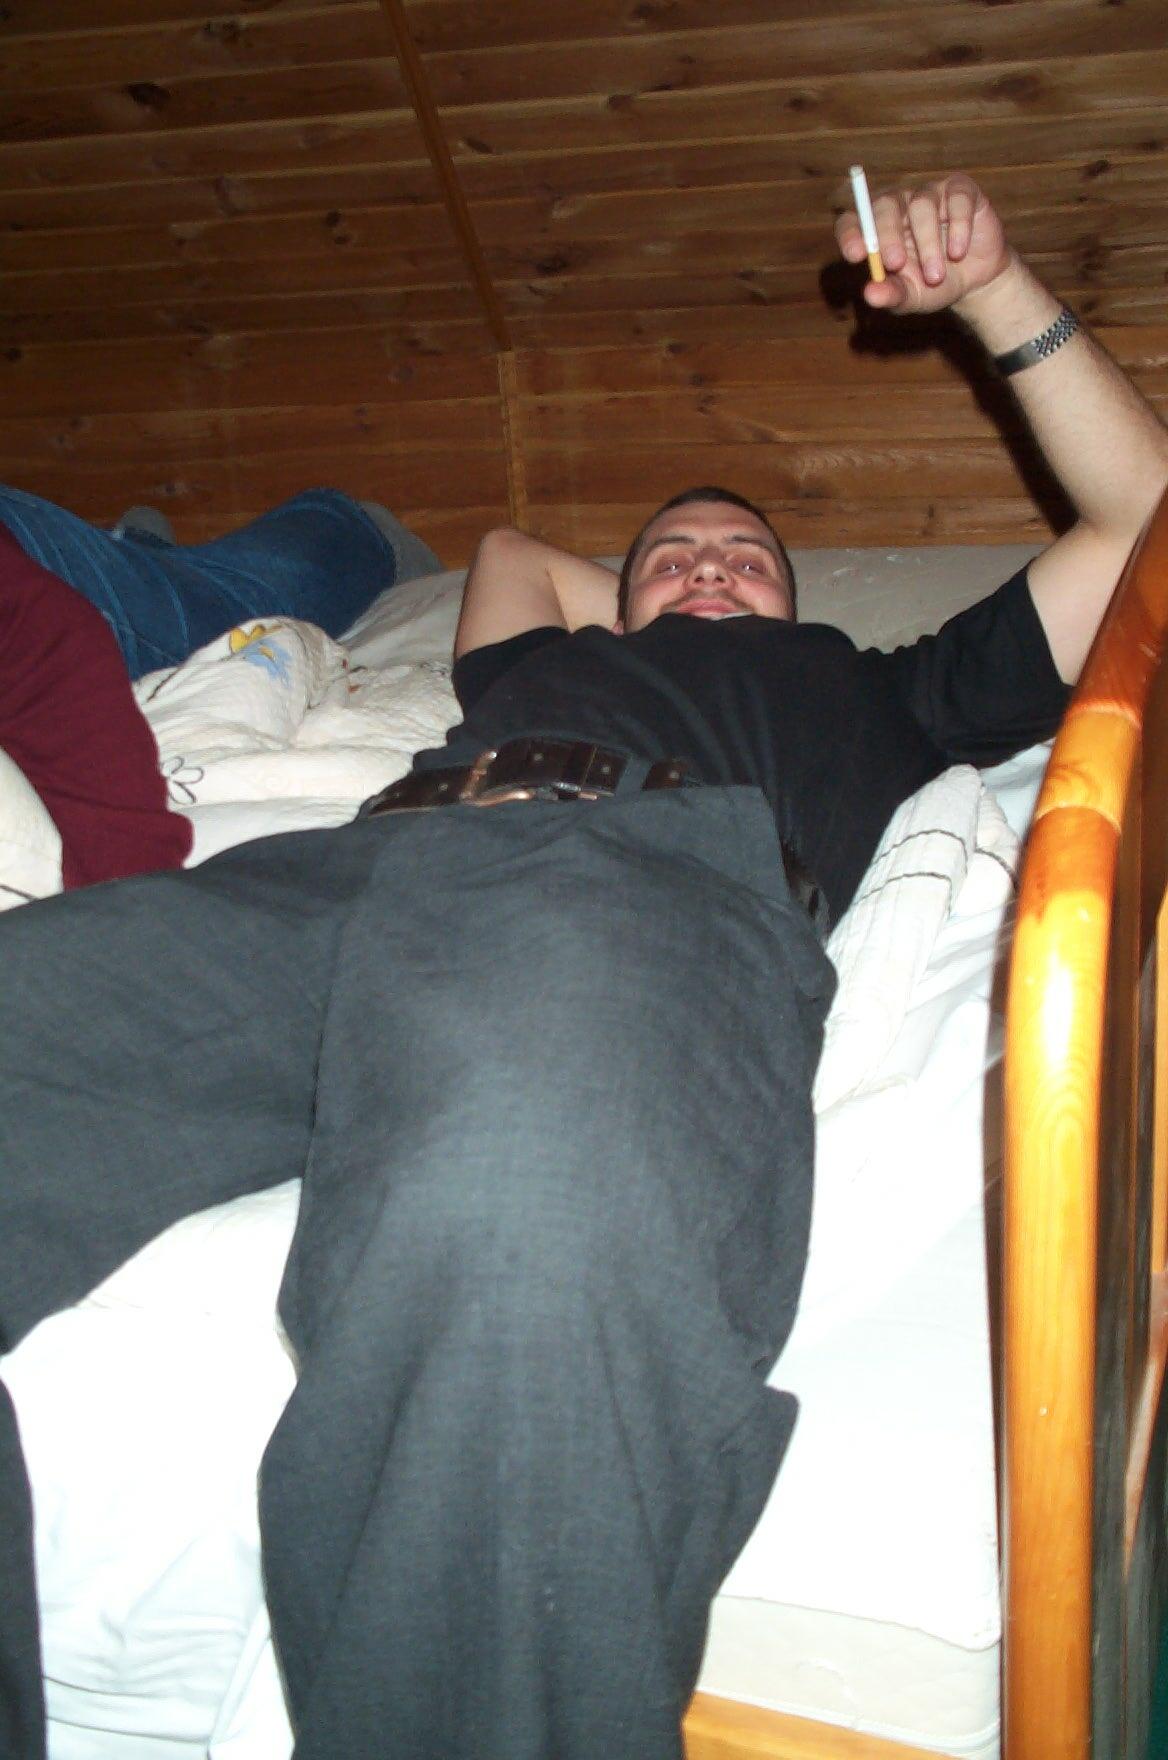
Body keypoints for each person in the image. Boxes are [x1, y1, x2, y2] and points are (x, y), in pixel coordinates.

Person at [1, 173, 1166, 1760]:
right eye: (671, 555)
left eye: (746, 553)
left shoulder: (884, 687)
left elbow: (1143, 526)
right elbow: (499, 547)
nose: (708, 567)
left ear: (800, 598)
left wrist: (995, 293)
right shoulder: (542, 665)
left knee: (517, 1215)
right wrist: (637, 596)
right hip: (346, 874)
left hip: (639, 886)